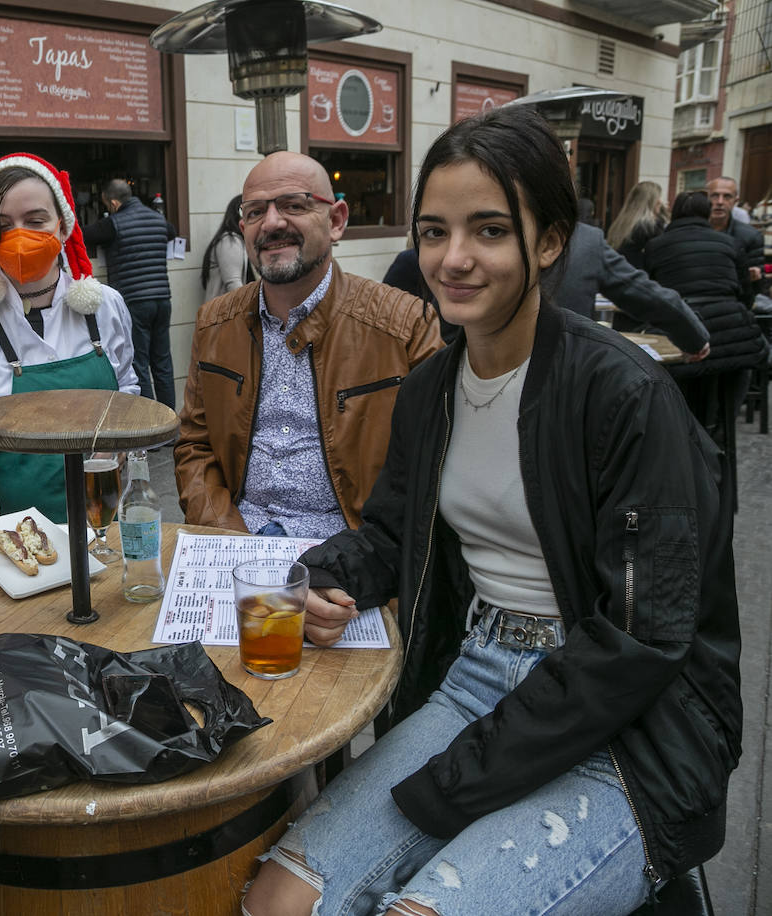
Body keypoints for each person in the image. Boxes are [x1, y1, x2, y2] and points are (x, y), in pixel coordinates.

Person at [242, 105, 740, 916]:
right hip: (474, 678)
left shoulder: (624, 394)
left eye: (489, 231)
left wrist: (461, 782)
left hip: (629, 730)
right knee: (278, 901)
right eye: (433, 232)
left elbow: (643, 641)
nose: (454, 259)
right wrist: (321, 577)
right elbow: (396, 533)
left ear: (549, 243)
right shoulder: (433, 388)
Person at [175, 151, 442, 539]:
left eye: (292, 205)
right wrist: (229, 539)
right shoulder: (215, 323)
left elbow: (430, 466)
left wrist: (356, 562)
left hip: (349, 547)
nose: (271, 222)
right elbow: (194, 448)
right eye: (254, 212)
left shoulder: (405, 325)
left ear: (336, 221)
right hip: (237, 537)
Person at [0, 152, 138, 524]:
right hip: (10, 540)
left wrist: (118, 445)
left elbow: (127, 391)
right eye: (3, 226)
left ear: (63, 226)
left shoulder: (106, 308)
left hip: (104, 523)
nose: (19, 237)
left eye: (35, 221)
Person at [644, 189, 769, 508]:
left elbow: (651, 294)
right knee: (726, 411)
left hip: (681, 335)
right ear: (704, 214)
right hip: (732, 337)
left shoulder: (657, 246)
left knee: (679, 409)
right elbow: (745, 293)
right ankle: (721, 485)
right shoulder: (730, 244)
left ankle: (681, 480)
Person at [544, 217, 709, 358]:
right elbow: (643, 293)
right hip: (561, 370)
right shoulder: (583, 240)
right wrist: (693, 337)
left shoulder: (583, 240)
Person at [82, 178, 177, 408]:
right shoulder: (158, 219)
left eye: (106, 205)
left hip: (135, 301)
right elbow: (172, 233)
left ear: (113, 202)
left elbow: (83, 234)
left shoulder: (113, 223)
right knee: (163, 362)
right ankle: (170, 424)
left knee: (139, 363)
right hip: (162, 299)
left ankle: (149, 426)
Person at [707, 175, 765, 300]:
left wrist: (753, 277)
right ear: (707, 197)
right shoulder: (691, 230)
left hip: (731, 301)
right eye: (715, 195)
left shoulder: (750, 236)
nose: (720, 202)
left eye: (727, 196)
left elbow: (757, 285)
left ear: (735, 201)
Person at [606, 180, 668, 269]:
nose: (661, 201)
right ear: (650, 201)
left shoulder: (622, 223)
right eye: (659, 197)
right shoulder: (649, 226)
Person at [201, 194, 250, 299]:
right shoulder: (229, 241)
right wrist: (248, 308)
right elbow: (233, 282)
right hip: (224, 312)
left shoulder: (238, 240)